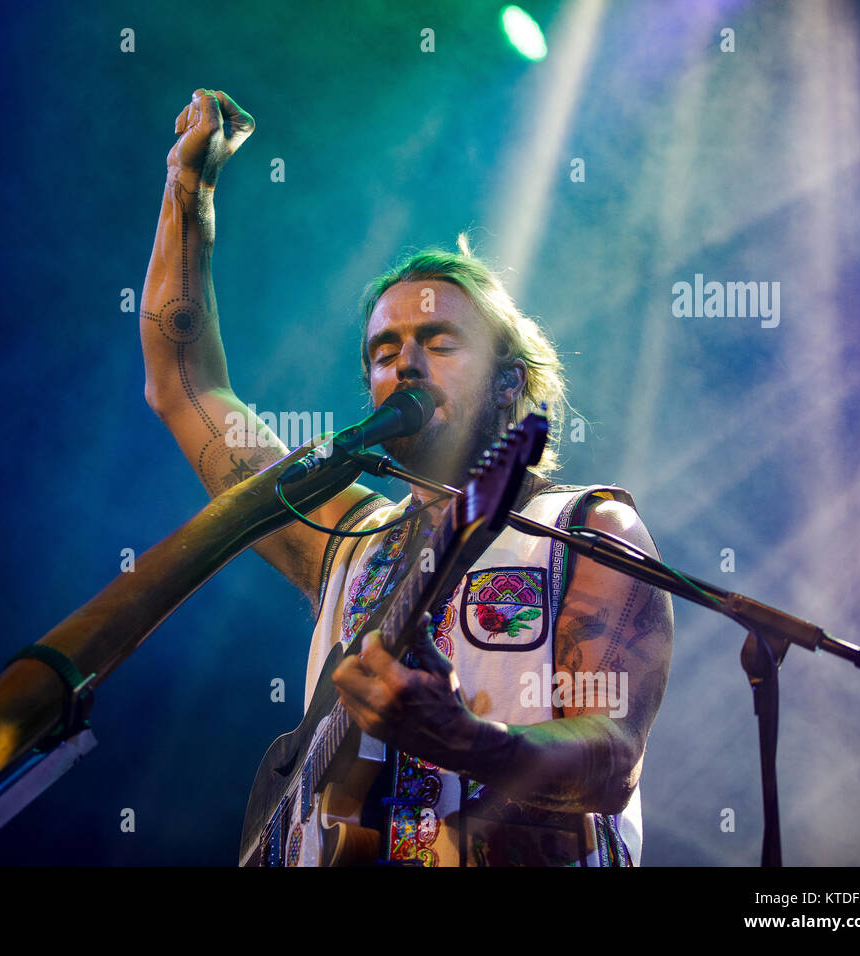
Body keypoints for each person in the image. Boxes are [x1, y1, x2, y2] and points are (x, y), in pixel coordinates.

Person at [141, 89, 673, 866]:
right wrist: (188, 191)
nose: (404, 362)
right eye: (383, 351)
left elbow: (611, 756)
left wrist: (466, 741)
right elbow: (184, 386)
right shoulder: (346, 540)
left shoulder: (584, 529)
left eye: (438, 340)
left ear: (508, 381)